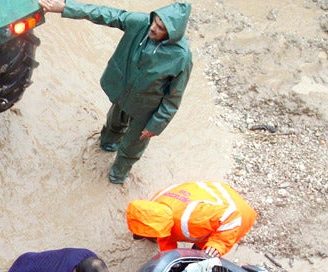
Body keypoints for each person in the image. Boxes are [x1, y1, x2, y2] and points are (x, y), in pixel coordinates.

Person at [38, 0, 192, 184]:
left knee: (132, 147)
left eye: (160, 28)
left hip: (146, 107)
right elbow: (104, 13)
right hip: (123, 92)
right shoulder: (141, 23)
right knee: (113, 125)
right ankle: (106, 146)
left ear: (172, 34)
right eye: (154, 21)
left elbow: (174, 97)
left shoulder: (181, 57)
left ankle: (117, 177)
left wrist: (155, 125)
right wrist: (64, 7)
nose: (152, 28)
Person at [126, 181, 257, 257]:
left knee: (204, 254)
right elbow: (164, 236)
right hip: (214, 194)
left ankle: (199, 253)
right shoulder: (155, 203)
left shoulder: (191, 221)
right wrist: (169, 256)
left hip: (238, 214)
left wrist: (217, 244)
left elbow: (233, 216)